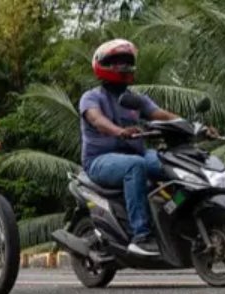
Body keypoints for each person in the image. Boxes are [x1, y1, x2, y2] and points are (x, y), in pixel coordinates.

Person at [79, 39, 184, 257]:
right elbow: (97, 120)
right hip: (100, 160)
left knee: (173, 162)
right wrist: (119, 131)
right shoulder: (92, 97)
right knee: (134, 166)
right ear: (104, 65)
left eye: (127, 62)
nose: (123, 67)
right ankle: (141, 236)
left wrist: (193, 126)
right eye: (117, 62)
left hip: (136, 153)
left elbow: (162, 115)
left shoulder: (135, 99)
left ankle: (174, 217)